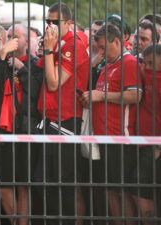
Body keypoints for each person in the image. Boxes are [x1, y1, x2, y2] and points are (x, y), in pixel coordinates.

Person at [81, 24, 143, 225]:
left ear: (116, 41)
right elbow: (103, 96)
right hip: (103, 137)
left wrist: (101, 96)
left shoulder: (129, 63)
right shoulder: (107, 65)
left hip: (120, 137)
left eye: (102, 47)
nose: (100, 52)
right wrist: (91, 98)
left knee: (119, 190)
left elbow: (136, 95)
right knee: (109, 189)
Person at [33, 2, 89, 225]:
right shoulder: (56, 44)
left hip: (66, 121)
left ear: (68, 23)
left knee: (60, 182)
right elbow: (39, 71)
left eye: (55, 22)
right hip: (49, 119)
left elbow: (54, 83)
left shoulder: (72, 45)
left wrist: (48, 50)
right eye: (47, 22)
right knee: (42, 180)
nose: (50, 26)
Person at [0, 24, 43, 225]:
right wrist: (3, 56)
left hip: (26, 129)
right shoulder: (1, 61)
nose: (11, 39)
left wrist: (22, 68)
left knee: (23, 184)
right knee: (3, 183)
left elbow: (36, 93)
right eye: (8, 36)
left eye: (15, 36)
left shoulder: (36, 64)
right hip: (3, 130)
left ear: (27, 41)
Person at [129, 44, 161, 225]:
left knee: (141, 192)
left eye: (151, 63)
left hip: (153, 146)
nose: (147, 67)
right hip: (143, 144)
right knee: (139, 191)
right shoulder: (145, 76)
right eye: (145, 63)